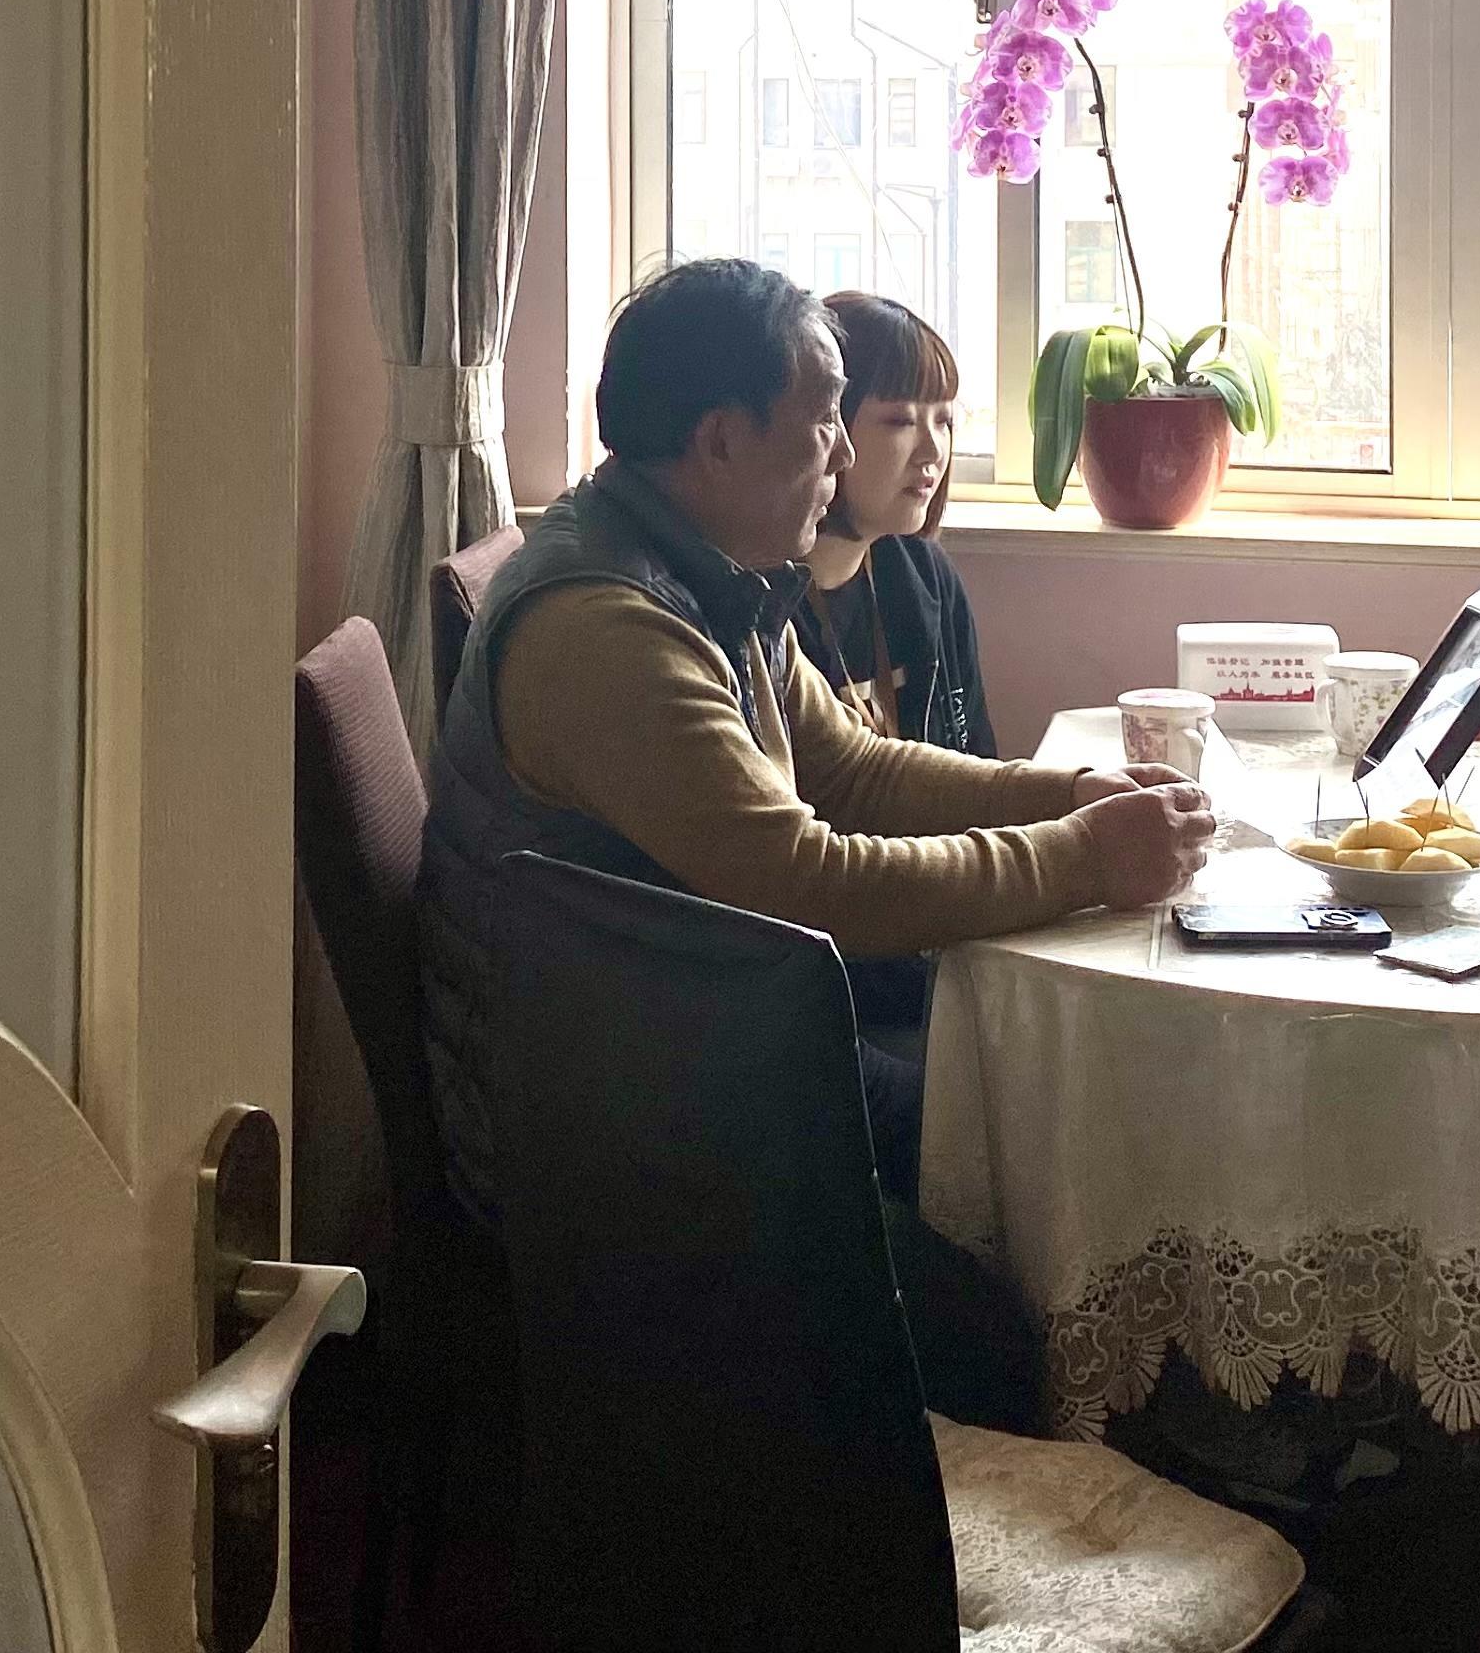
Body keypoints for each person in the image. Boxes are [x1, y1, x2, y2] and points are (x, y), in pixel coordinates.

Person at [420, 257, 1214, 1423]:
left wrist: (1070, 794)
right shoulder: (607, 629)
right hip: (616, 1133)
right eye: (827, 421)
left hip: (705, 1042)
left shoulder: (711, 571)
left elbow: (852, 768)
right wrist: (1086, 858)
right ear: (720, 442)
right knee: (1003, 1307)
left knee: (1025, 1135)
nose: (842, 457)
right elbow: (808, 881)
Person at [790, 293, 1001, 1181]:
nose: (932, 450)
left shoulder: (921, 575)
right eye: (899, 420)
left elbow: (976, 763)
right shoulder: (756, 603)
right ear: (825, 428)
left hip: (933, 936)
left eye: (945, 420)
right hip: (848, 971)